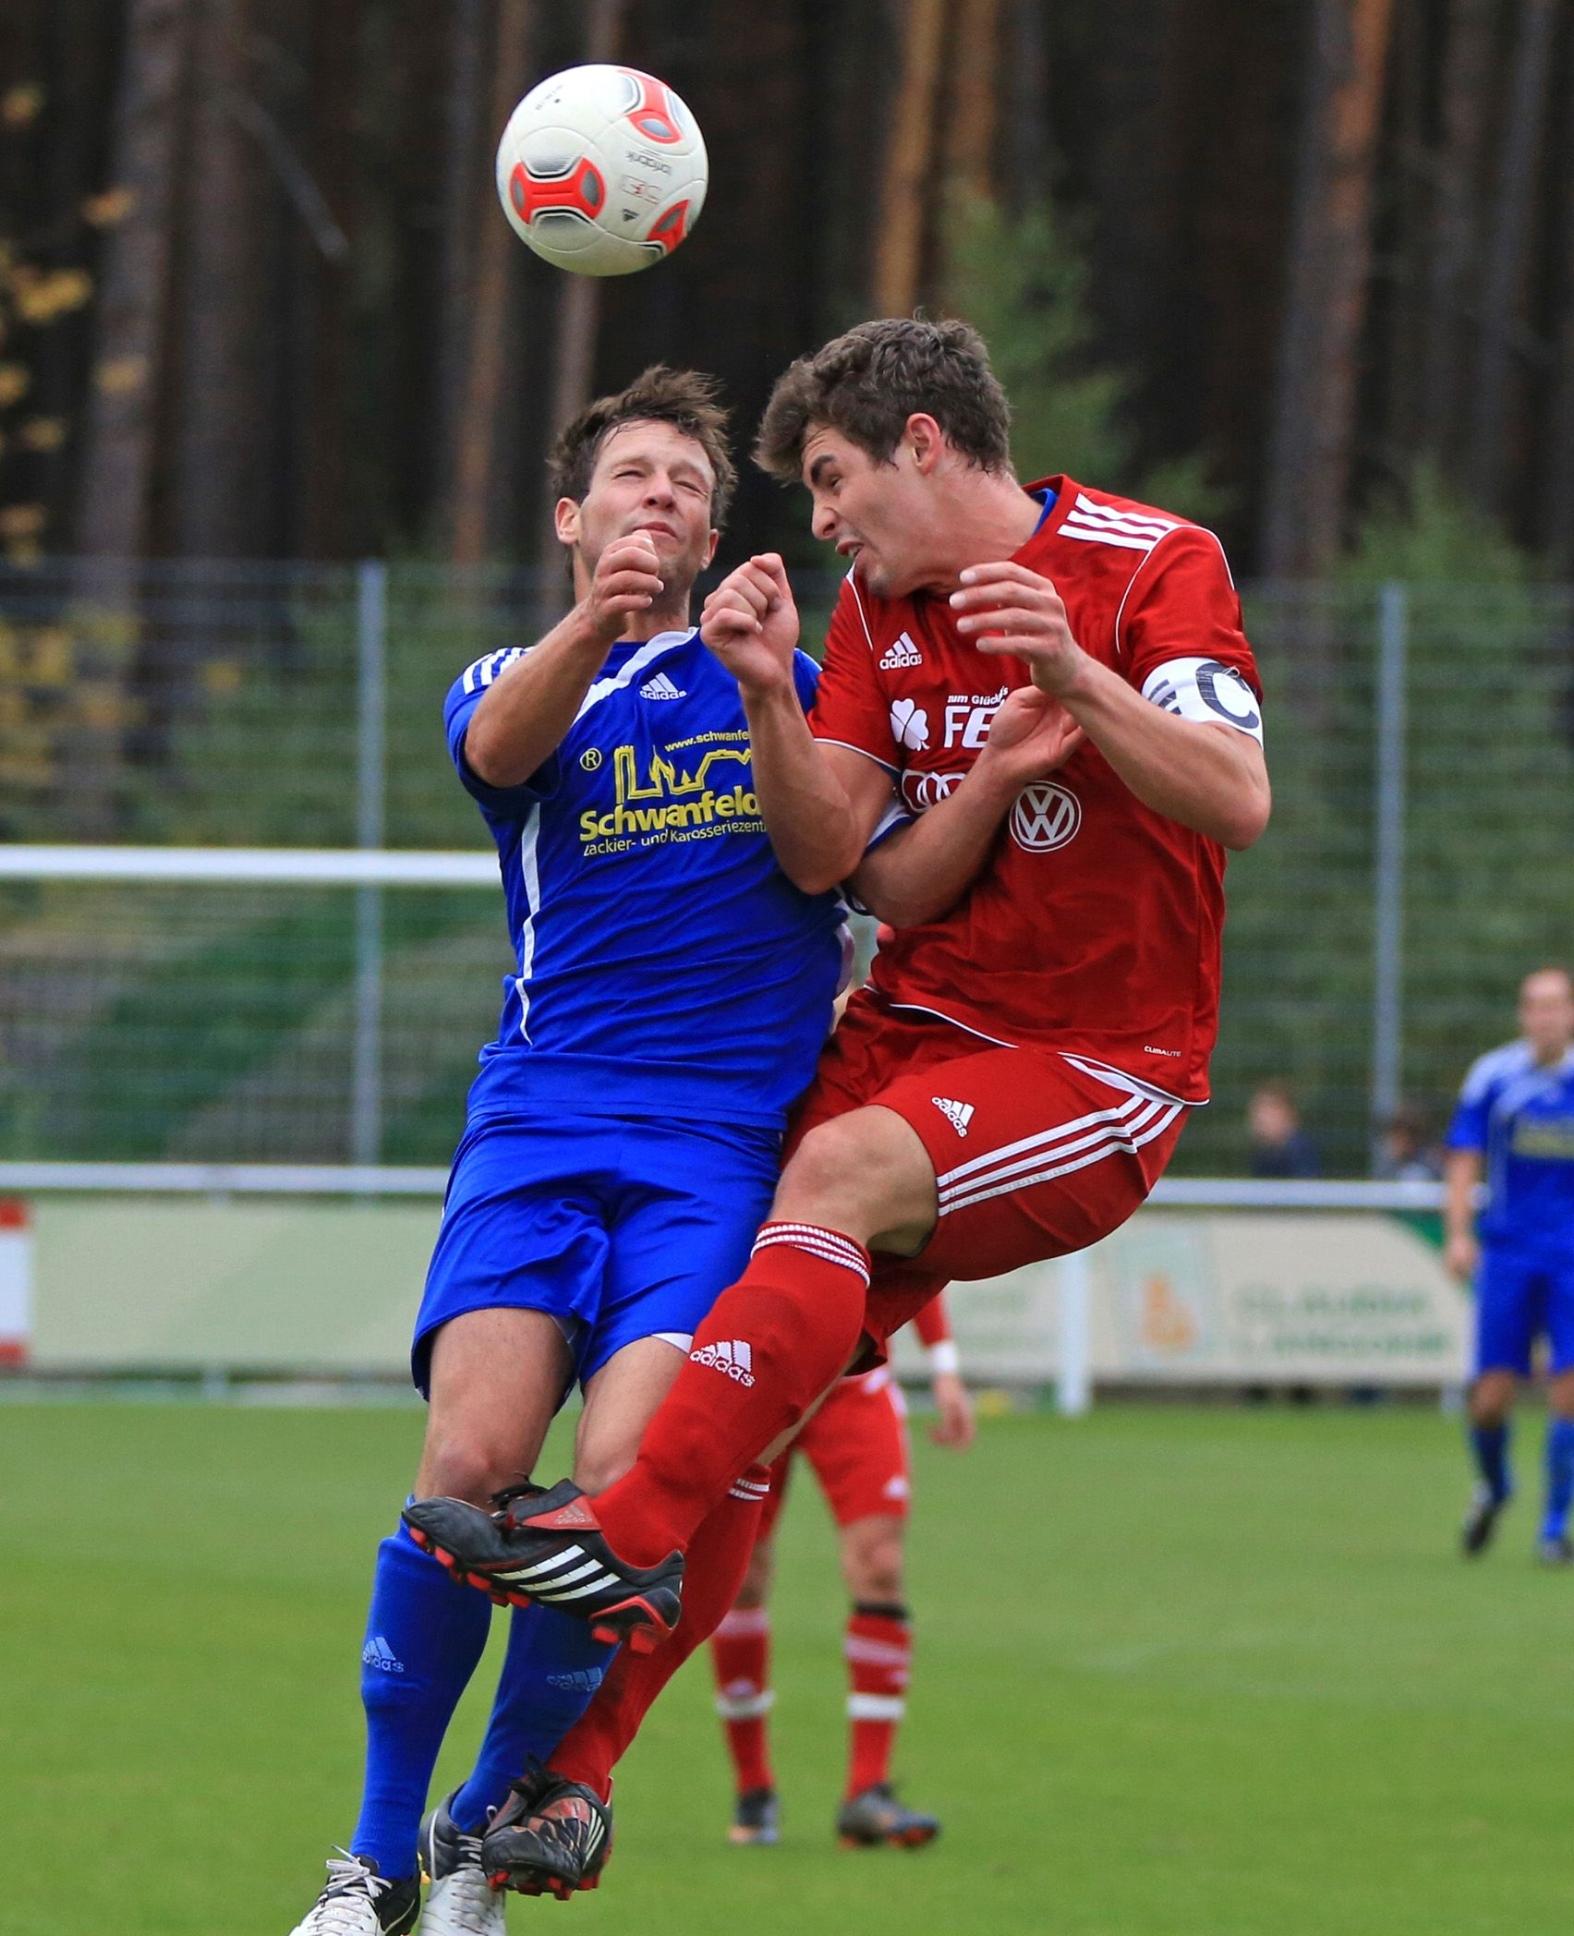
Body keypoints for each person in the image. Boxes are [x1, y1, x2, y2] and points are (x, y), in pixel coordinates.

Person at [405, 315, 1271, 1891]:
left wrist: (1075, 669)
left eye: (829, 478)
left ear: (922, 446)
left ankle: (620, 1528)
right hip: (917, 1029)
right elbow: (856, 874)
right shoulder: (874, 608)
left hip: (1097, 1063)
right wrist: (800, 710)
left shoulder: (1156, 564)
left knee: (831, 1182)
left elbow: (1235, 799)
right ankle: (576, 1787)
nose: (819, 520)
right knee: (746, 1389)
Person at [288, 367, 847, 1936]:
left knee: (617, 1496)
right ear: (570, 516)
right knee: (465, 1468)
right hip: (541, 1123)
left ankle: (481, 1833)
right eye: (628, 477)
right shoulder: (520, 674)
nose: (656, 495)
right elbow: (496, 755)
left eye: (683, 479)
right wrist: (593, 626)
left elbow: (826, 856)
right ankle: (374, 1858)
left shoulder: (777, 675)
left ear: (715, 523)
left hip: (719, 1150)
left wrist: (766, 686)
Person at [712, 1295, 972, 1850]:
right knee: (742, 1576)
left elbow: (921, 1235)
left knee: (880, 1565)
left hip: (856, 1380)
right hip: (763, 1372)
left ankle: (868, 1790)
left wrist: (944, 1364)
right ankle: (753, 1785)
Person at [1445, 965, 1574, 1565]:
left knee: (1569, 1389)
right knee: (1491, 1396)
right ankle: (1496, 1487)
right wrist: (1457, 1233)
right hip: (1509, 1251)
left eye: (1553, 1005)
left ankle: (1553, 1528)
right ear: (1523, 1015)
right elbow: (1464, 1157)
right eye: (1532, 1006)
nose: (1543, 1016)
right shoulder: (1495, 1077)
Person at [1246, 1080, 1321, 1178]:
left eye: (1266, 1112)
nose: (1259, 1119)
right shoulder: (1266, 1154)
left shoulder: (1299, 1153)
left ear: (1286, 1113)